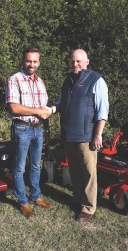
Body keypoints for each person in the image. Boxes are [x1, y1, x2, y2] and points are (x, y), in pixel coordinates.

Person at [48, 49, 109, 222]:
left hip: (86, 137)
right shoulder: (68, 81)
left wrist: (97, 134)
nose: (75, 64)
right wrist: (51, 109)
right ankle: (77, 199)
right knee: (75, 171)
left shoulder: (96, 80)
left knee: (89, 173)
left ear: (87, 62)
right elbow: (62, 102)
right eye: (73, 61)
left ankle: (88, 208)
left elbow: (102, 111)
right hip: (69, 135)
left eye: (79, 61)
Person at [5, 47, 53, 218]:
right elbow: (14, 107)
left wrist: (46, 130)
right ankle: (23, 202)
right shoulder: (14, 79)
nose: (31, 64)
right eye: (28, 60)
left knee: (35, 165)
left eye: (35, 61)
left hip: (37, 129)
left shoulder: (41, 82)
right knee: (18, 168)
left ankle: (35, 197)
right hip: (21, 128)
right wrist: (37, 112)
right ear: (23, 61)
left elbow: (44, 110)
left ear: (39, 63)